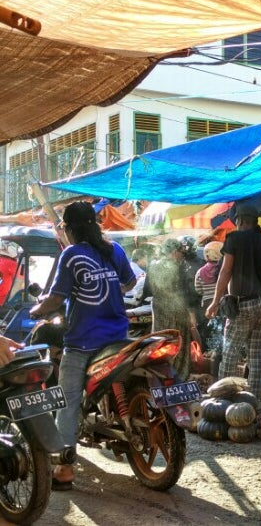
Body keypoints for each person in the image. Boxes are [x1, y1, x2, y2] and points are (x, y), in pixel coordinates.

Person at [29, 201, 136, 490]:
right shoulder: (115, 250)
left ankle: (64, 470)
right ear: (95, 224)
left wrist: (36, 311)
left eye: (63, 227)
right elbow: (130, 282)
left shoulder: (71, 255)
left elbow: (55, 298)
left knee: (67, 401)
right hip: (119, 336)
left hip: (83, 342)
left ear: (69, 228)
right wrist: (110, 289)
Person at [205, 204, 261, 400]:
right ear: (255, 222)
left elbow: (225, 271)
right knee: (255, 357)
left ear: (240, 221)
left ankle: (221, 400)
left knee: (230, 352)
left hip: (243, 305)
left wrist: (214, 301)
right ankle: (252, 401)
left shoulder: (234, 238)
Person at [145, 238, 199, 379]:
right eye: (181, 252)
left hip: (159, 307)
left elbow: (147, 290)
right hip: (177, 309)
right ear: (174, 252)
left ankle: (162, 375)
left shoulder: (152, 265)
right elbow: (186, 291)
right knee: (179, 341)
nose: (182, 255)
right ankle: (179, 377)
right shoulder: (177, 266)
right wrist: (192, 313)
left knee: (161, 340)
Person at [194, 241, 223, 351]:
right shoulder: (224, 270)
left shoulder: (200, 271)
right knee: (221, 329)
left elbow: (198, 289)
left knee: (208, 329)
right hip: (222, 303)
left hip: (206, 304)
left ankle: (208, 352)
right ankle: (220, 351)